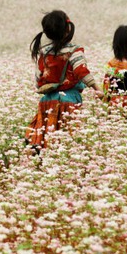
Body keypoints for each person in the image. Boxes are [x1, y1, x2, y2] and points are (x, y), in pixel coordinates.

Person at [26, 10, 103, 153]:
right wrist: (97, 88)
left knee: (46, 139)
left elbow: (38, 80)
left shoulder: (44, 53)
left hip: (47, 101)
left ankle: (39, 159)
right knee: (67, 140)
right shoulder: (74, 50)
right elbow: (82, 71)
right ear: (68, 29)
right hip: (68, 100)